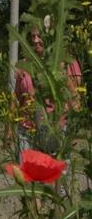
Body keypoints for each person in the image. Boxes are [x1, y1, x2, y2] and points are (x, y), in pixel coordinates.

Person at [14, 26, 83, 155]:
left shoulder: (68, 62)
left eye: (39, 36)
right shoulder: (23, 65)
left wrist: (73, 132)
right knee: (26, 173)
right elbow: (18, 97)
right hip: (27, 128)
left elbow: (75, 97)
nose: (35, 40)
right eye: (33, 37)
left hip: (56, 128)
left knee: (55, 172)